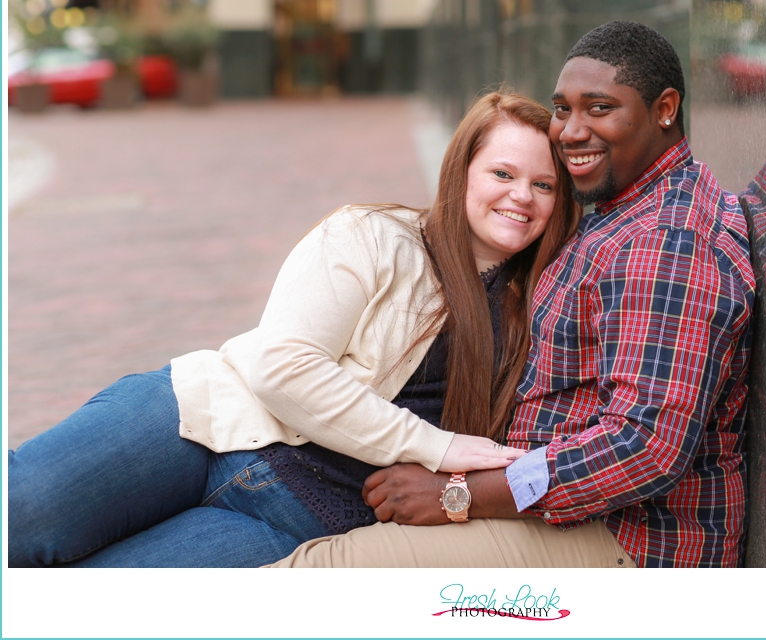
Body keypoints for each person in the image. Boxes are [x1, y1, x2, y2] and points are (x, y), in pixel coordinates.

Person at [8, 91, 580, 568]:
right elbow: (284, 367)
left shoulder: (539, 307)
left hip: (295, 518)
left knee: (99, 603)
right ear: (461, 173)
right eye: (502, 173)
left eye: (544, 185)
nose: (521, 196)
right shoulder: (375, 235)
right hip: (196, 425)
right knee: (22, 513)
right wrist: (438, 447)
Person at [269, 20, 756, 569]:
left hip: (627, 540)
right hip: (563, 515)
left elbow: (643, 447)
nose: (570, 131)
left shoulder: (666, 243)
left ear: (665, 109)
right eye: (563, 109)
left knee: (310, 576)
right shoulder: (630, 210)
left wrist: (461, 495)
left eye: (598, 109)